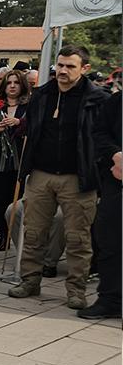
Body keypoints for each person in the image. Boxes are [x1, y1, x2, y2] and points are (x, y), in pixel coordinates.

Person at [8, 46, 106, 308]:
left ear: (84, 68)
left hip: (78, 177)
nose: (63, 71)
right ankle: (30, 280)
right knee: (34, 231)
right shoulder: (42, 95)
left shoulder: (96, 98)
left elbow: (104, 137)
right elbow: (30, 129)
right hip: (41, 174)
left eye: (70, 66)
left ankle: (76, 289)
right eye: (60, 65)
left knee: (78, 237)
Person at [80, 89, 120, 319]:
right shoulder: (117, 101)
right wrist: (115, 155)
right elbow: (100, 134)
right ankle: (110, 298)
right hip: (117, 181)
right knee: (110, 241)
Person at [0, 68, 30, 250]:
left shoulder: (29, 106)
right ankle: (3, 234)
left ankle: (19, 233)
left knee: (17, 199)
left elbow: (35, 127)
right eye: (9, 83)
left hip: (20, 159)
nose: (12, 86)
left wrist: (19, 123)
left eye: (16, 83)